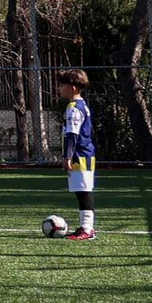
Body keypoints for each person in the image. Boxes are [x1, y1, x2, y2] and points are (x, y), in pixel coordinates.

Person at [57, 68, 98, 240]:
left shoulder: (73, 108)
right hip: (86, 154)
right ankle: (86, 227)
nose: (60, 89)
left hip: (80, 156)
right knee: (82, 191)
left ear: (72, 87)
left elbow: (72, 135)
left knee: (83, 192)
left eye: (62, 85)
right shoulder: (83, 105)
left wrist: (67, 156)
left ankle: (87, 229)